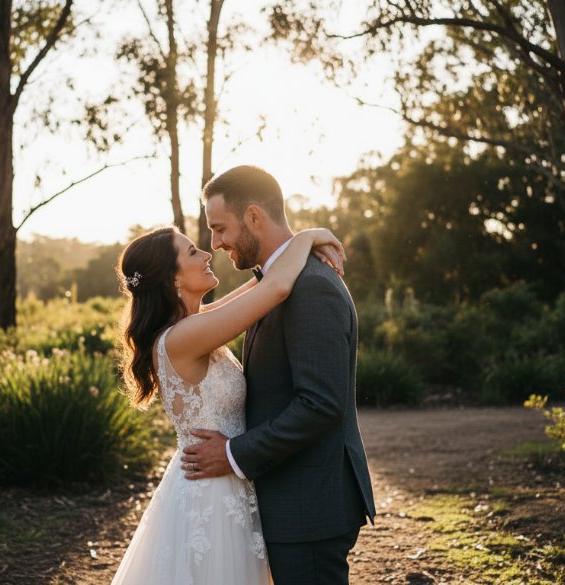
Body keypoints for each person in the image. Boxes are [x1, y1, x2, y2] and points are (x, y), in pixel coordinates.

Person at [110, 223, 346, 585]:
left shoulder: (195, 325)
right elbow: (276, 288)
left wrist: (288, 251)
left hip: (228, 479)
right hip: (212, 495)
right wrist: (308, 237)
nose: (207, 254)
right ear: (172, 278)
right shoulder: (184, 337)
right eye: (192, 252)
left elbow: (261, 282)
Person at [182, 165, 376, 584]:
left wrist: (234, 454)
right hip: (287, 499)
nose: (215, 243)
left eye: (219, 228)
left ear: (254, 217)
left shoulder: (311, 286)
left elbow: (320, 403)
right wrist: (306, 238)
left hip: (309, 506)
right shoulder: (276, 282)